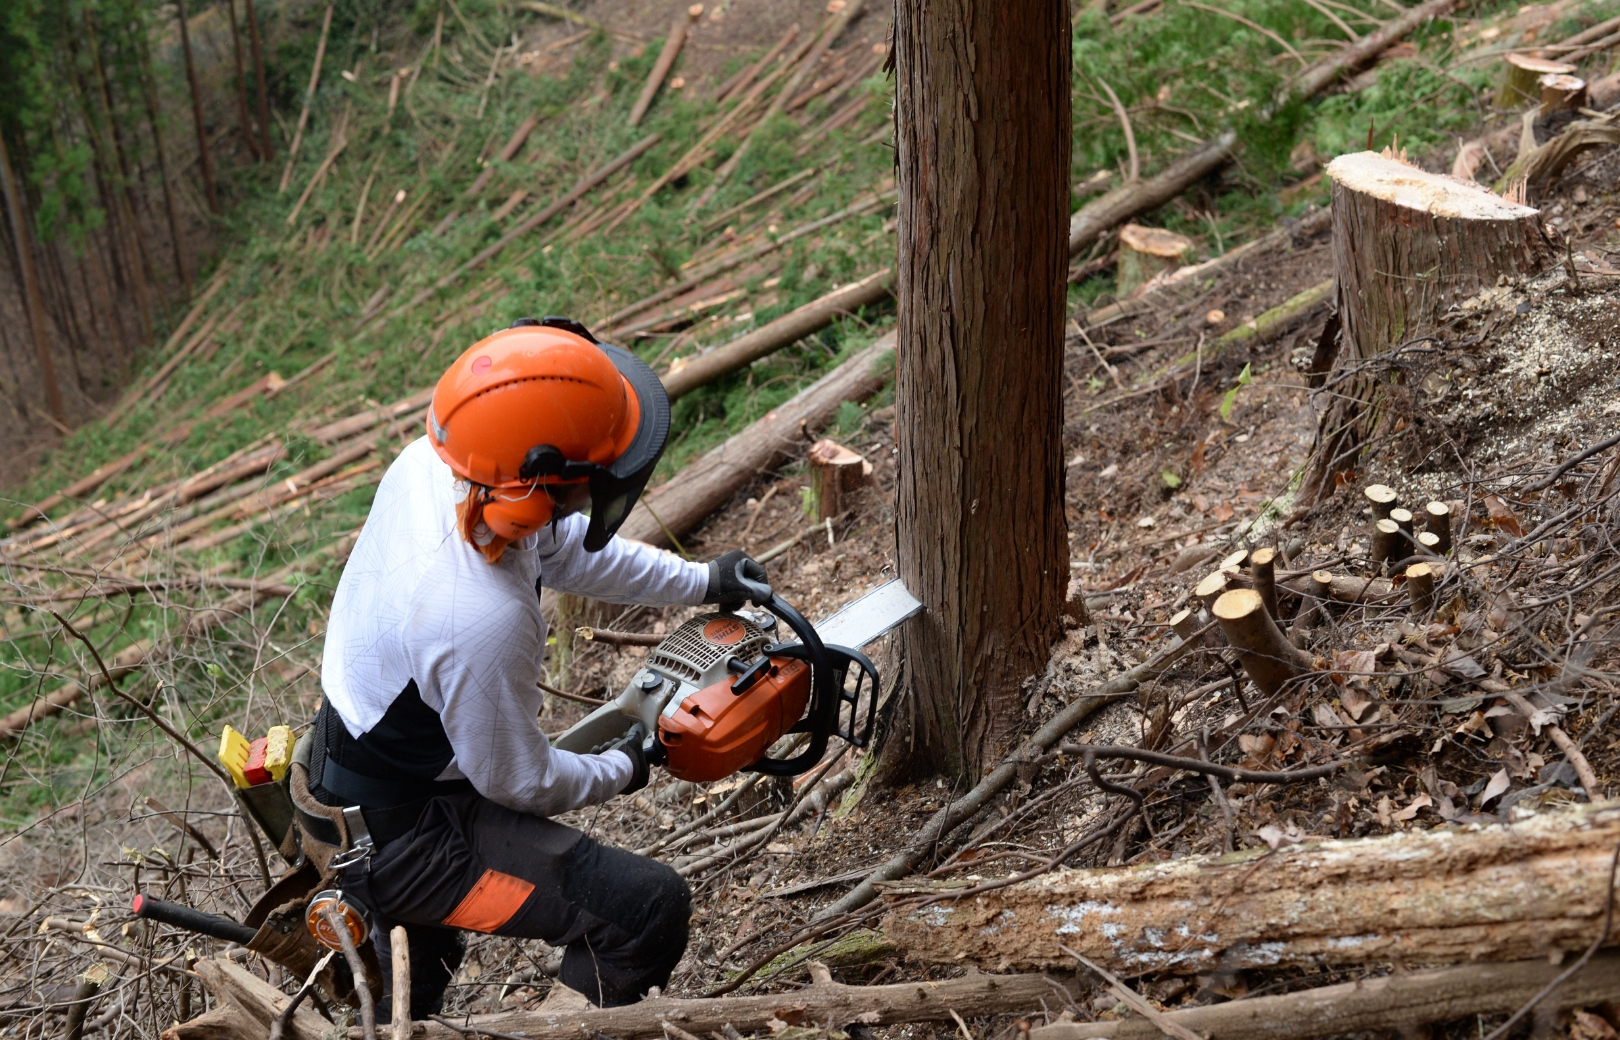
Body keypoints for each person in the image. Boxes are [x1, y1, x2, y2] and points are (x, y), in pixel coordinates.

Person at [302, 318, 769, 1015]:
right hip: (402, 841)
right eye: (587, 479)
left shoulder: (451, 469)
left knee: (413, 992)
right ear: (533, 487)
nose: (596, 491)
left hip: (361, 778)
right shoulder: (474, 613)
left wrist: (704, 582)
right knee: (645, 911)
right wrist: (634, 762)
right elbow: (518, 780)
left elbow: (565, 546)